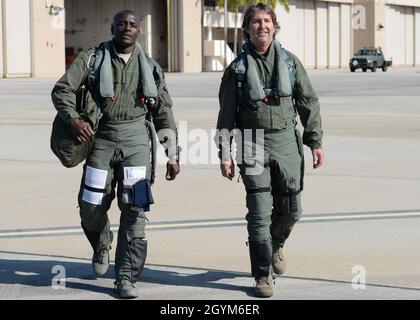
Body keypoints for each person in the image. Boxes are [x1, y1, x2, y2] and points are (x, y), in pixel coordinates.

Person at [51, 10, 180, 299]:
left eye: (133, 24)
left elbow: (164, 114)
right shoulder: (92, 59)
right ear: (112, 28)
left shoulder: (150, 67)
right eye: (121, 23)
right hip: (101, 138)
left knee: (135, 211)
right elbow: (62, 90)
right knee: (90, 206)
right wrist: (73, 119)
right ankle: (101, 241)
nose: (127, 28)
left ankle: (125, 277)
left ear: (139, 31)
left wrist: (172, 154)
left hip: (136, 140)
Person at [215, 3, 324, 298]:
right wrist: (225, 154)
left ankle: (275, 244)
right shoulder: (236, 70)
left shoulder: (290, 63)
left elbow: (308, 102)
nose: (261, 26)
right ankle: (262, 274)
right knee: (259, 214)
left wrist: (314, 141)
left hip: (287, 143)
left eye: (266, 21)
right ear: (247, 29)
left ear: (275, 27)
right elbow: (225, 116)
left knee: (292, 211)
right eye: (255, 21)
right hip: (252, 143)